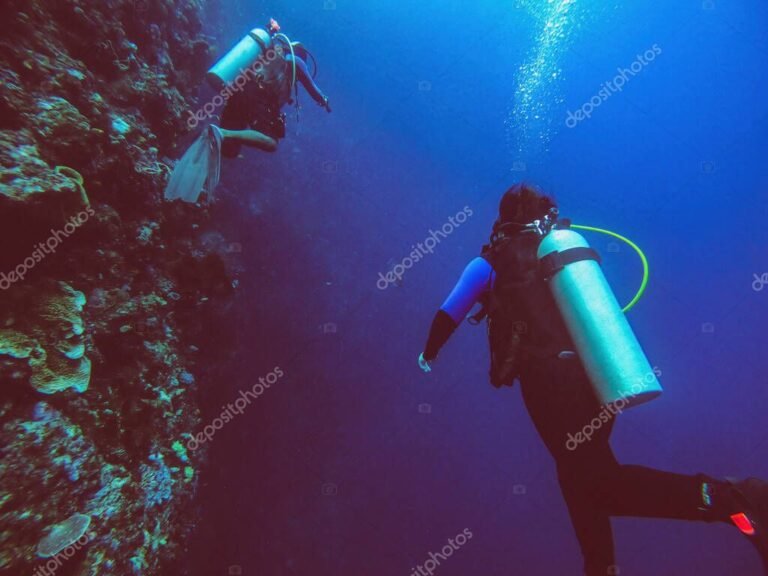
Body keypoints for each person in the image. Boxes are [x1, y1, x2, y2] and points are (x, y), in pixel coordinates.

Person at [418, 182, 768, 575]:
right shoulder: (559, 252)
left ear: (501, 221)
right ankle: (601, 565)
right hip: (594, 377)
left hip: (549, 388)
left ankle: (732, 498)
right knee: (578, 475)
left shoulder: (490, 262)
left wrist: (428, 352)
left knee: (598, 483)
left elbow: (449, 312)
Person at [164, 18, 331, 204]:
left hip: (239, 90)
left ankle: (194, 135)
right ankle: (221, 133)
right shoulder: (296, 61)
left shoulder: (267, 55)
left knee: (230, 151)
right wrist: (324, 101)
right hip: (259, 98)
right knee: (270, 142)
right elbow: (313, 89)